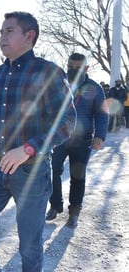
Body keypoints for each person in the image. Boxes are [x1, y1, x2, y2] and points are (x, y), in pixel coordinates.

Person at [0, 12, 76, 272]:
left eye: (9, 31)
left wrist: (28, 148)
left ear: (29, 36)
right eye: (1, 32)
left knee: (29, 245)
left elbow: (67, 123)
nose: (1, 37)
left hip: (31, 171)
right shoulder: (0, 73)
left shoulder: (48, 72)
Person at [46, 53, 109, 227]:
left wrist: (99, 136)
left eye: (77, 67)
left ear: (86, 69)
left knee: (77, 175)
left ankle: (74, 210)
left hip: (83, 139)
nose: (72, 70)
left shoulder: (95, 88)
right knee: (53, 171)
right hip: (59, 138)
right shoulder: (58, 84)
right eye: (70, 66)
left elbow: (102, 114)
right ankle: (55, 205)